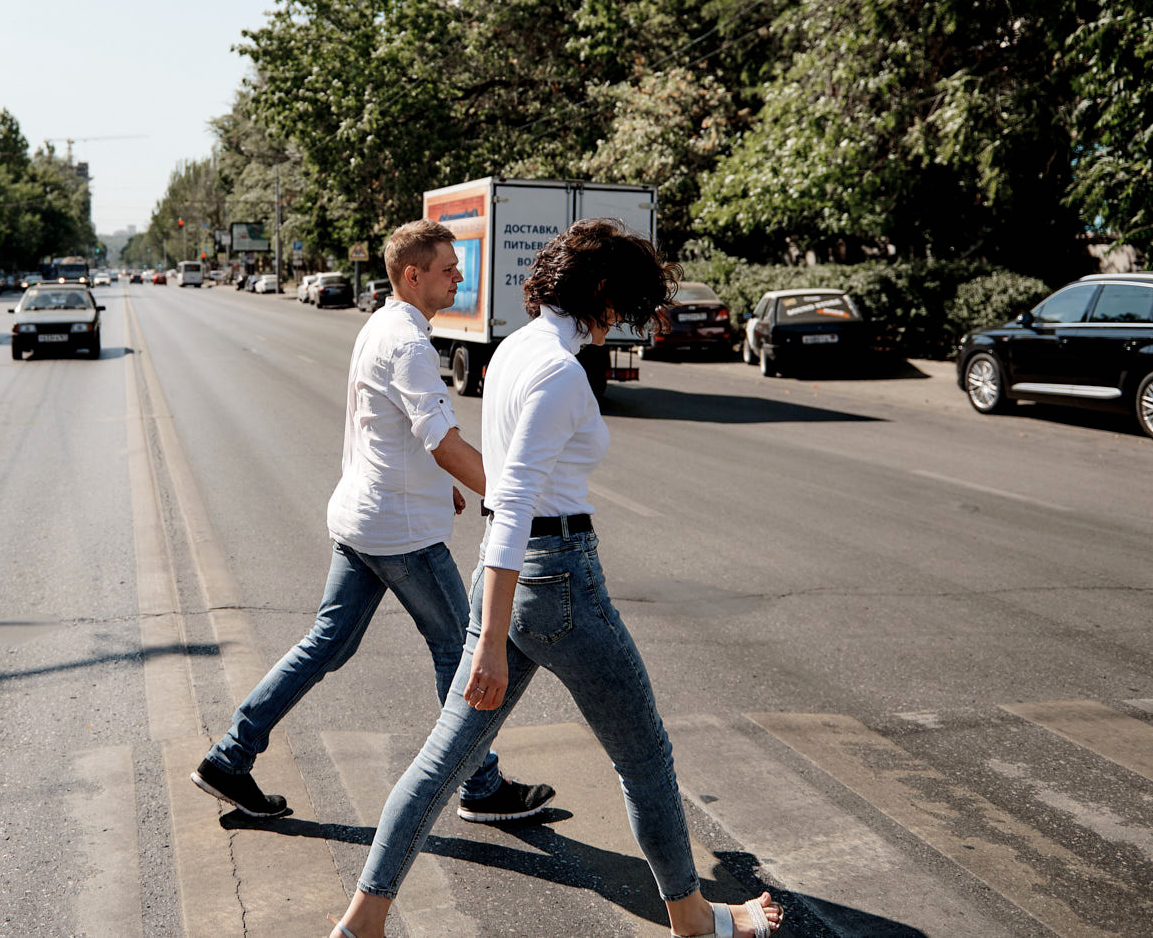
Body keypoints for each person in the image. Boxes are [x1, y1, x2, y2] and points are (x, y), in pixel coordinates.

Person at [327, 220, 783, 938]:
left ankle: (363, 920)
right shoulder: (559, 371)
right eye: (623, 304)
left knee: (445, 759)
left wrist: (494, 624)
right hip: (559, 582)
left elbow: (502, 498)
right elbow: (513, 505)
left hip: (509, 580)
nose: (622, 322)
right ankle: (694, 919)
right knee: (645, 754)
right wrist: (491, 642)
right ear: (600, 291)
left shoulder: (515, 349)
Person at [192, 220, 555, 826]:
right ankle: (483, 786)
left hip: (363, 518)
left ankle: (230, 758)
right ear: (413, 275)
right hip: (400, 535)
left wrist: (443, 487)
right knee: (462, 650)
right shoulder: (410, 343)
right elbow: (440, 437)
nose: (459, 277)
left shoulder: (382, 325)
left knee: (324, 646)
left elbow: (391, 431)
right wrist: (512, 496)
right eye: (448, 268)